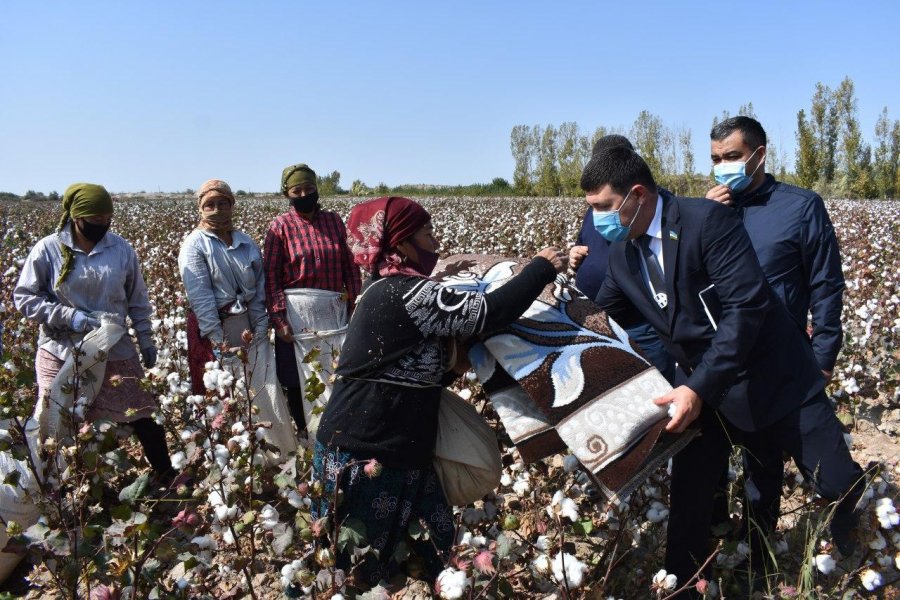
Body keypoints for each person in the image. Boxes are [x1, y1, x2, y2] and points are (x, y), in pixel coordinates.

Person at [585, 148, 863, 596]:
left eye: (601, 206)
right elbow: (600, 319)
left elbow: (746, 307)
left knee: (834, 481)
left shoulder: (706, 222)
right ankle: (684, 581)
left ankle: (856, 535)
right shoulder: (623, 255)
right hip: (704, 386)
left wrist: (696, 387)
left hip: (773, 375)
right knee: (691, 494)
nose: (596, 217)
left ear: (636, 195)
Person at [312, 196, 568, 587]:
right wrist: (541, 268)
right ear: (399, 244)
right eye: (427, 234)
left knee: (431, 553)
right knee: (356, 573)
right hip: (362, 456)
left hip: (402, 453)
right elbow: (489, 310)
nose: (435, 242)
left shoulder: (395, 292)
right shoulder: (402, 293)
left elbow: (414, 374)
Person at [705, 116, 850, 571]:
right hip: (737, 376)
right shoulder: (706, 213)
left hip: (792, 371)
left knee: (839, 478)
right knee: (759, 481)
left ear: (760, 155)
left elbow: (827, 286)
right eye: (715, 159)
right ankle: (758, 568)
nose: (723, 166)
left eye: (732, 156)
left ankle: (857, 554)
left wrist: (824, 355)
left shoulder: (801, 208)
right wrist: (706, 218)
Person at [13, 183, 175, 484]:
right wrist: (70, 317)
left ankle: (166, 473)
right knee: (55, 419)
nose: (102, 225)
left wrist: (145, 337)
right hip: (60, 348)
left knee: (140, 411)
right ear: (76, 216)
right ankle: (55, 486)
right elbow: (24, 298)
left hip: (113, 345)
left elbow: (137, 299)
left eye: (106, 218)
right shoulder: (48, 250)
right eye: (95, 219)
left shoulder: (121, 249)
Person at [178, 180, 297, 456]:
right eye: (210, 204)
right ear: (200, 208)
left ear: (232, 205)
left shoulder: (245, 243)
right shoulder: (194, 246)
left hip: (248, 326)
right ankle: (233, 461)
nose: (217, 210)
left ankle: (276, 454)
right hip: (213, 332)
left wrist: (259, 325)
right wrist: (218, 342)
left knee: (263, 389)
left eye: (223, 203)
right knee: (225, 395)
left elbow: (257, 289)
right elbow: (201, 297)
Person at [263, 164, 361, 435]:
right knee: (296, 378)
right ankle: (307, 432)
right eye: (297, 190)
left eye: (309, 188)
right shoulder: (280, 227)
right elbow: (270, 276)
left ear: (317, 189)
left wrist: (353, 301)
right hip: (295, 316)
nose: (304, 194)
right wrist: (279, 317)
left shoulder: (333, 221)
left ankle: (338, 429)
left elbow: (350, 264)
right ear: (287, 193)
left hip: (333, 312)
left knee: (335, 371)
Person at [569, 134, 676, 383]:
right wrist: (574, 255)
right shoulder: (598, 207)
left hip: (641, 324)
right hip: (605, 320)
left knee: (654, 389)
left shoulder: (653, 206)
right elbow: (585, 241)